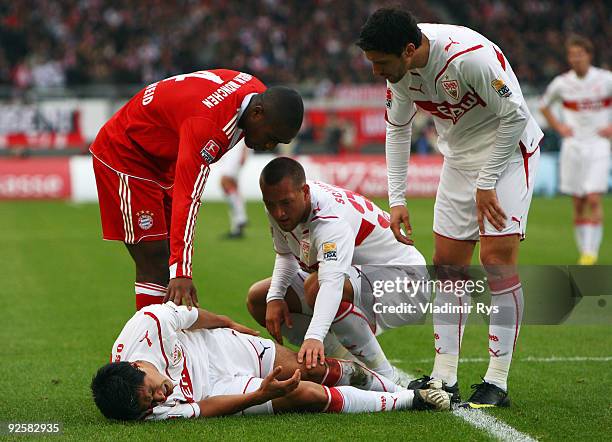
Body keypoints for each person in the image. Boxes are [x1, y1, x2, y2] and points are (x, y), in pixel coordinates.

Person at [356, 8, 544, 407]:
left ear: (409, 50)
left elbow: (516, 115)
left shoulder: (469, 58)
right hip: (459, 161)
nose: (376, 72)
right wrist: (398, 199)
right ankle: (444, 376)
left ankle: (497, 381)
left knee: (496, 262)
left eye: (381, 63)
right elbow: (397, 127)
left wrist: (487, 181)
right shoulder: (400, 74)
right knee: (447, 265)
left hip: (507, 156)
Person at [89, 69, 303, 310]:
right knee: (154, 258)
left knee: (166, 256)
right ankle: (145, 344)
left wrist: (179, 267)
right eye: (271, 137)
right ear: (256, 113)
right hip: (126, 154)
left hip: (161, 156)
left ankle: (167, 338)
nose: (268, 145)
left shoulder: (254, 89)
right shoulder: (208, 127)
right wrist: (182, 270)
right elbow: (188, 197)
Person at [90, 302, 451, 420]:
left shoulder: (147, 325)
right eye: (149, 406)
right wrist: (259, 396)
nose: (157, 401)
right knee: (304, 394)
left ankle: (399, 385)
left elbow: (190, 317)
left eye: (150, 394)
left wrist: (230, 324)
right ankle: (411, 400)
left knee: (314, 368)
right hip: (221, 388)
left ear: (139, 368)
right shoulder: (145, 412)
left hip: (223, 348)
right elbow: (207, 406)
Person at [246, 157, 428, 389]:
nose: (278, 213)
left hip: (407, 283)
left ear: (304, 192)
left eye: (285, 204)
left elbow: (331, 283)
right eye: (270, 204)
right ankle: (348, 367)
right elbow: (285, 255)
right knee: (259, 298)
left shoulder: (330, 220)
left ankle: (389, 379)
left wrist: (314, 336)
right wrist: (274, 297)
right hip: (355, 280)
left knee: (318, 287)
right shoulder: (281, 201)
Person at [540, 36, 612, 265]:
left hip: (598, 144)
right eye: (572, 55)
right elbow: (543, 106)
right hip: (573, 146)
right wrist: (559, 126)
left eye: (580, 54)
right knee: (578, 202)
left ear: (589, 55)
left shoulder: (605, 79)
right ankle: (585, 252)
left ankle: (591, 252)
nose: (576, 58)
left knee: (593, 198)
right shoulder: (562, 83)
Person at [216, 139, 250, 238]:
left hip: (237, 147)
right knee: (233, 186)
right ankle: (238, 222)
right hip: (232, 147)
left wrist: (244, 150)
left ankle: (240, 218)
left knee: (226, 181)